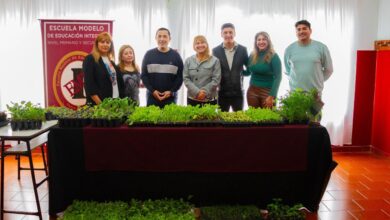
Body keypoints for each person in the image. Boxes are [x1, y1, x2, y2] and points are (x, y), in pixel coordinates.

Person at [284, 20, 333, 113]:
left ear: (310, 30)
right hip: (295, 94)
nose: (301, 31)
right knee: (296, 123)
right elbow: (288, 70)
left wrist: (319, 80)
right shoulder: (289, 49)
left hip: (315, 94)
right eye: (298, 29)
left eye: (304, 28)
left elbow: (329, 69)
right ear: (296, 32)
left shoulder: (321, 47)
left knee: (314, 124)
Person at [141, 27, 184, 108]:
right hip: (152, 96)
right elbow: (144, 75)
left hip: (170, 97)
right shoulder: (148, 55)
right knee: (151, 120)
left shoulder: (176, 56)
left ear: (169, 38)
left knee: (170, 120)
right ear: (156, 38)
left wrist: (171, 91)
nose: (162, 39)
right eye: (159, 36)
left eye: (165, 36)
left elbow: (180, 77)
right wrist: (153, 91)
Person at [212, 23, 248, 112]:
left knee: (239, 120)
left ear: (234, 33)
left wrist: (241, 74)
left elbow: (249, 69)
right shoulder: (215, 51)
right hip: (222, 93)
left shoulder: (243, 50)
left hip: (238, 92)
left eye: (230, 32)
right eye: (225, 33)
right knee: (222, 121)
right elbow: (213, 70)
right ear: (221, 34)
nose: (228, 35)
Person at [83, 32, 125, 105]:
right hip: (99, 105)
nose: (105, 44)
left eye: (108, 42)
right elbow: (89, 85)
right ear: (97, 44)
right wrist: (101, 105)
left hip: (115, 102)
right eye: (102, 42)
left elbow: (118, 84)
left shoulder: (111, 63)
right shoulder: (90, 59)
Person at [244, 32, 281, 108]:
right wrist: (235, 71)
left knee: (269, 118)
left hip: (268, 92)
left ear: (268, 41)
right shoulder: (252, 55)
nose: (261, 42)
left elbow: (278, 77)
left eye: (264, 39)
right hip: (252, 91)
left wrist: (272, 96)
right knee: (253, 117)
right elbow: (248, 72)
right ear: (256, 42)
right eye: (259, 40)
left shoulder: (274, 56)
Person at [183, 35, 221, 106]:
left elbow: (216, 80)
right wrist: (197, 92)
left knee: (209, 117)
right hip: (192, 98)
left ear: (206, 44)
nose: (200, 45)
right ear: (194, 46)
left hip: (209, 99)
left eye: (202, 42)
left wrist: (204, 92)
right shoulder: (188, 60)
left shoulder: (215, 61)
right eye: (197, 43)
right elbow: (186, 78)